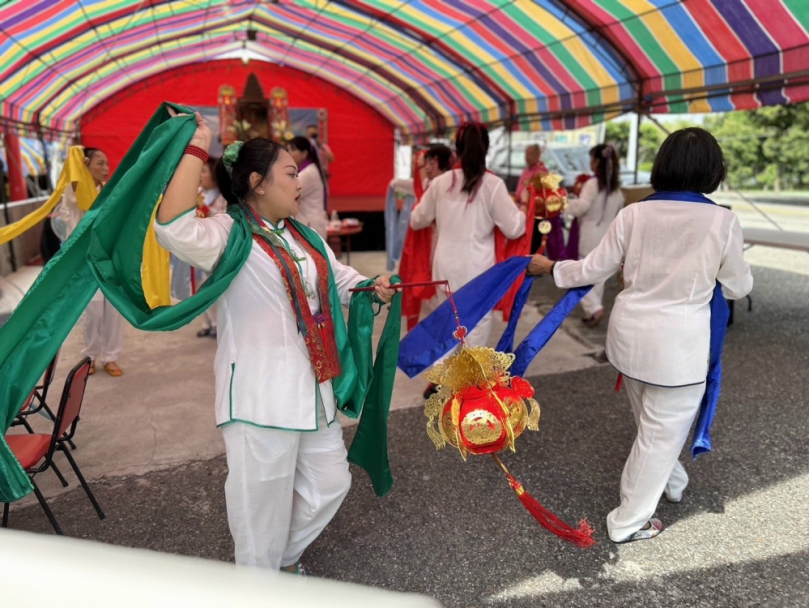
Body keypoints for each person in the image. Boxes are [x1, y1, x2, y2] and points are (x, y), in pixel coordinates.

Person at [154, 113, 395, 572]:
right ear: (257, 183)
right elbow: (173, 229)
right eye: (290, 173)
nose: (300, 182)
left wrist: (372, 285)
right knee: (259, 515)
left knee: (331, 484)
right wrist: (198, 145)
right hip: (259, 399)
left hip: (314, 390)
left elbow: (339, 280)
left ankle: (277, 564)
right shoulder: (229, 235)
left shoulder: (304, 236)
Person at [527, 128, 753, 543]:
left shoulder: (634, 213)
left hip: (629, 338)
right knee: (658, 433)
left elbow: (592, 269)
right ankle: (627, 523)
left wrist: (552, 267)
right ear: (712, 171)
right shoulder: (723, 220)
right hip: (678, 348)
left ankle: (673, 480)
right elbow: (739, 286)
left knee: (653, 427)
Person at [410, 123, 527, 354]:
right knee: (474, 337)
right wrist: (524, 205)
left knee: (447, 329)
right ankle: (466, 388)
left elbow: (416, 220)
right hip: (478, 272)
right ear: (487, 149)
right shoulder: (493, 185)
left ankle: (442, 383)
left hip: (444, 269)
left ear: (457, 149)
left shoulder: (440, 183)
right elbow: (514, 228)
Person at [53, 147, 126, 377]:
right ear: (86, 165)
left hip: (108, 257)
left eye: (106, 163)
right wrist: (77, 162)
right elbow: (75, 184)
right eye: (99, 163)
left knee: (114, 309)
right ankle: (90, 356)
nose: (105, 169)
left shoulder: (107, 191)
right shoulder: (75, 191)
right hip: (85, 261)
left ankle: (111, 357)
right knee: (93, 310)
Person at [564, 144, 625, 327]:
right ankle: (593, 310)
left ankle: (594, 308)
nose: (590, 163)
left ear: (598, 162)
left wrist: (562, 202)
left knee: (583, 272)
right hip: (608, 233)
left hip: (590, 232)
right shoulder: (616, 188)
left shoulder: (592, 184)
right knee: (599, 273)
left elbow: (581, 207)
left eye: (591, 159)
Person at [195, 157, 227, 338]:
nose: (200, 175)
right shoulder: (198, 193)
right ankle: (206, 322)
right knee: (197, 285)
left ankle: (216, 323)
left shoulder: (221, 196)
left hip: (213, 245)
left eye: (204, 171)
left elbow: (221, 217)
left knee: (211, 283)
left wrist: (206, 210)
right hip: (198, 243)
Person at [288, 136, 328, 240]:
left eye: (293, 150)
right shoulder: (306, 170)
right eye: (288, 150)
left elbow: (288, 192)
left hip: (310, 226)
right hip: (306, 224)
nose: (289, 154)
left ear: (304, 154)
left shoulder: (308, 173)